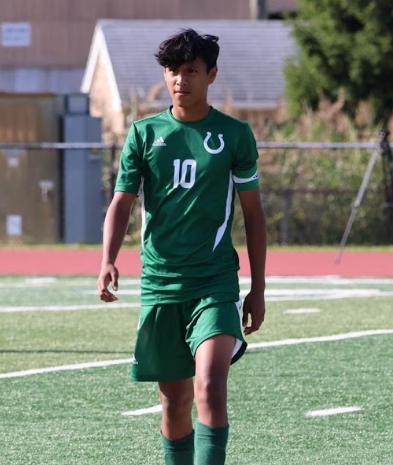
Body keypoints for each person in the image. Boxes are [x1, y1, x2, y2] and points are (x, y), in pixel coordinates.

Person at [97, 28, 267, 465]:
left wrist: (258, 288)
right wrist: (107, 261)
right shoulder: (143, 134)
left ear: (211, 74)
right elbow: (121, 203)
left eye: (191, 71)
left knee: (209, 385)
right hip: (160, 283)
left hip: (214, 282)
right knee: (174, 402)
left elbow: (253, 215)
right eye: (173, 70)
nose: (180, 80)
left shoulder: (234, 135)